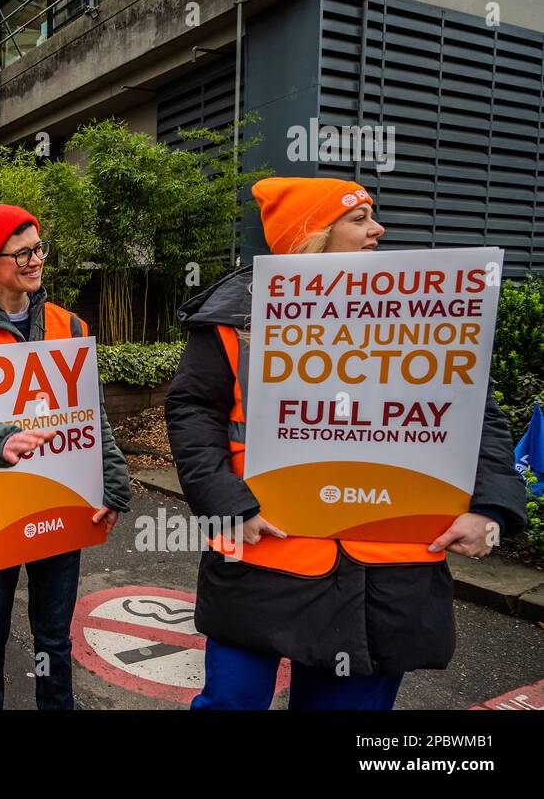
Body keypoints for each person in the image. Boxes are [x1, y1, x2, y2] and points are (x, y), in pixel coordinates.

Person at [166, 177, 526, 710]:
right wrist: (225, 504)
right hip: (262, 547)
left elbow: (476, 416)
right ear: (311, 235)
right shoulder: (231, 319)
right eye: (358, 220)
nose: (377, 229)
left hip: (385, 569)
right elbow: (193, 411)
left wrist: (492, 506)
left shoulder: (422, 306)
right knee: (231, 704)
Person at [0, 204, 131, 709]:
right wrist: (0, 438)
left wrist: (112, 485)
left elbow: (92, 414)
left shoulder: (70, 324)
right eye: (22, 252)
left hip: (58, 507)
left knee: (54, 641)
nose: (35, 260)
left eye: (38, 247)